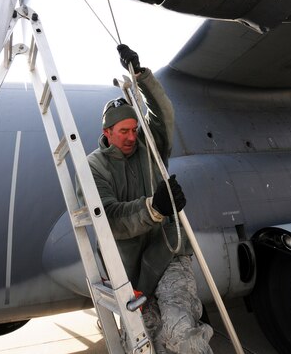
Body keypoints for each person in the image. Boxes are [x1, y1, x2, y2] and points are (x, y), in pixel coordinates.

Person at [78, 44, 213, 354]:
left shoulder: (149, 149)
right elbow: (109, 219)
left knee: (180, 330)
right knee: (143, 344)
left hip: (167, 252)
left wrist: (140, 76)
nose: (130, 137)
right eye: (124, 131)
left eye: (134, 130)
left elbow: (164, 114)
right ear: (107, 132)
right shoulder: (92, 167)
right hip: (131, 273)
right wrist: (154, 208)